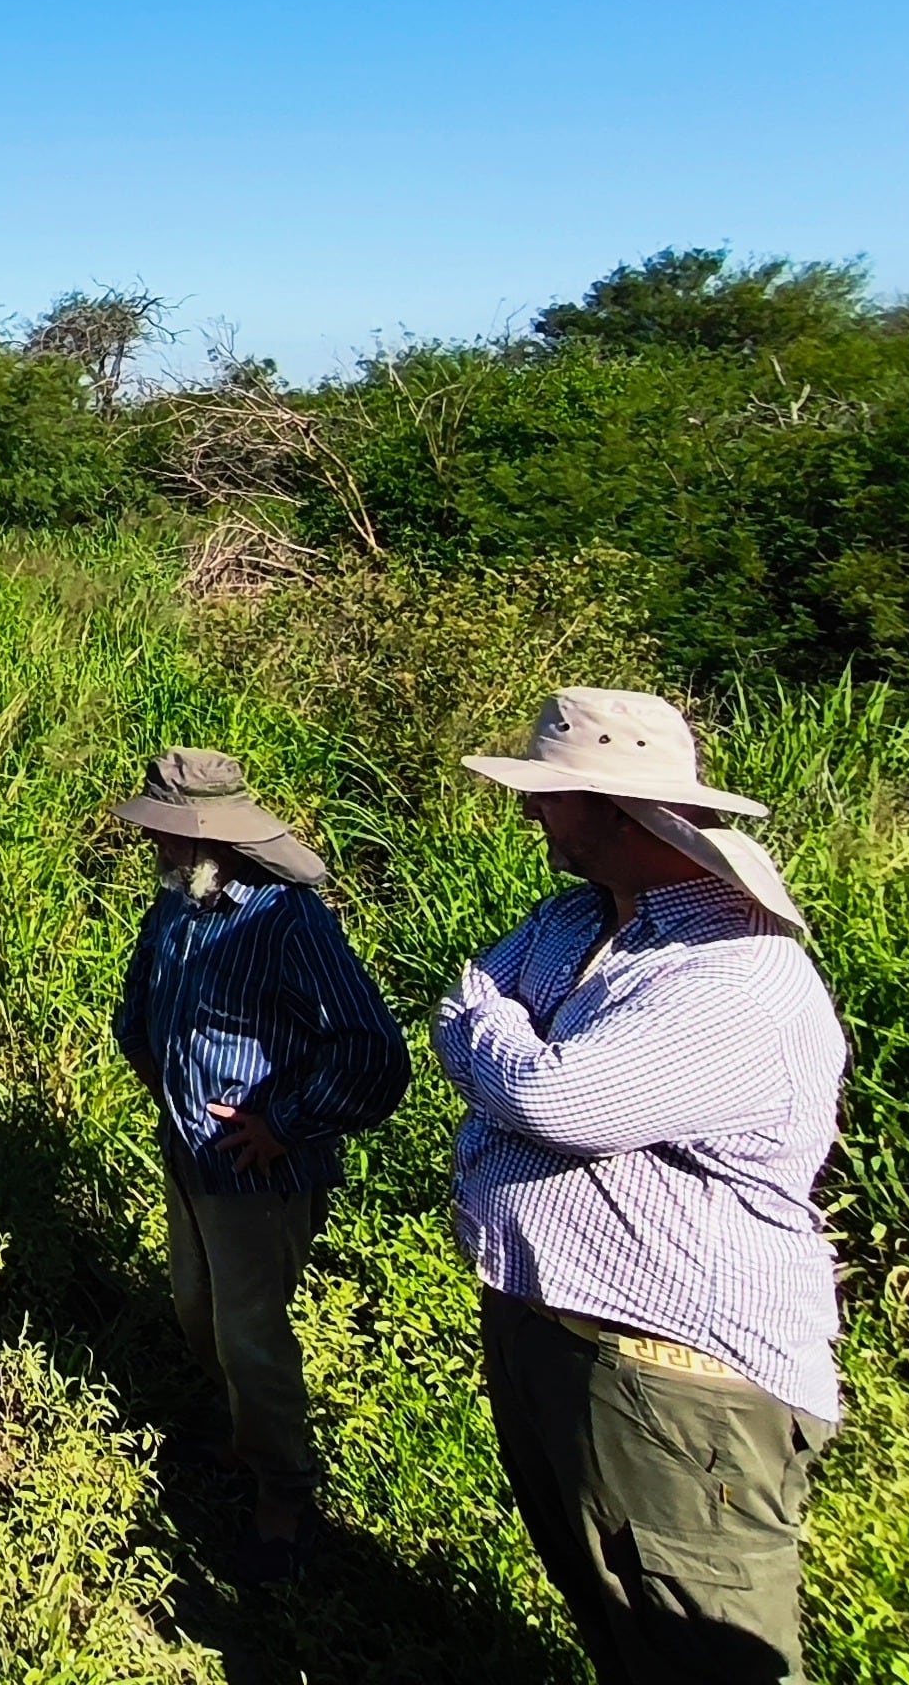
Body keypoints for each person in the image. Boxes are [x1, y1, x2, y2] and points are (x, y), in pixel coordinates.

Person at [440, 688, 844, 1685]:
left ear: (616, 811)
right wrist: (511, 1051)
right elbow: (460, 1002)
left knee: (698, 1643)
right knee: (614, 1616)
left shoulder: (735, 974)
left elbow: (553, 1095)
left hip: (673, 1385)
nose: (532, 813)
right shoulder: (576, 918)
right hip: (558, 1340)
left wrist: (515, 1057)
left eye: (551, 797)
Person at [109, 747, 408, 1586]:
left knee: (252, 1338)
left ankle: (284, 1497)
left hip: (256, 1176)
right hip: (188, 1152)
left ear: (217, 839)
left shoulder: (284, 917)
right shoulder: (178, 904)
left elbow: (370, 1051)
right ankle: (243, 1440)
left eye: (171, 833)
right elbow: (144, 1001)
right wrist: (150, 1062)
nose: (157, 847)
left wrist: (283, 1122)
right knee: (198, 1312)